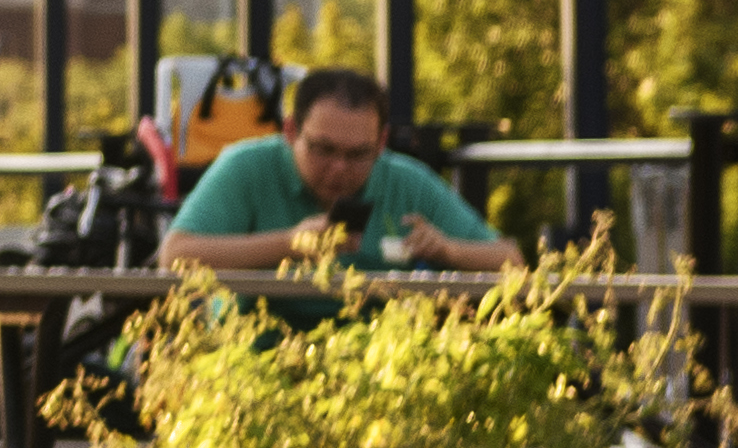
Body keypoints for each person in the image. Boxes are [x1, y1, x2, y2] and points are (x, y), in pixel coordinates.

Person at [166, 66, 527, 295]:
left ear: (381, 143)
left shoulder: (404, 178)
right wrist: (291, 244)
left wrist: (449, 250)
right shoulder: (246, 166)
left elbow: (511, 260)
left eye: (357, 154)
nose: (339, 168)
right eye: (323, 149)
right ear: (291, 131)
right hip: (254, 366)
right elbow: (174, 255)